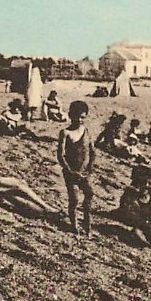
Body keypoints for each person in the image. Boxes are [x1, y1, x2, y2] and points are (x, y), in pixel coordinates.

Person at [57, 100, 96, 235]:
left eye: (83, 117)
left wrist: (90, 167)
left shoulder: (86, 131)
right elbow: (60, 155)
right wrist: (70, 171)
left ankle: (87, 224)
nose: (79, 120)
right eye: (77, 117)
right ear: (70, 115)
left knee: (89, 194)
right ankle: (74, 225)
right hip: (71, 173)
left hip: (84, 172)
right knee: (74, 199)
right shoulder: (65, 133)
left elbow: (92, 151)